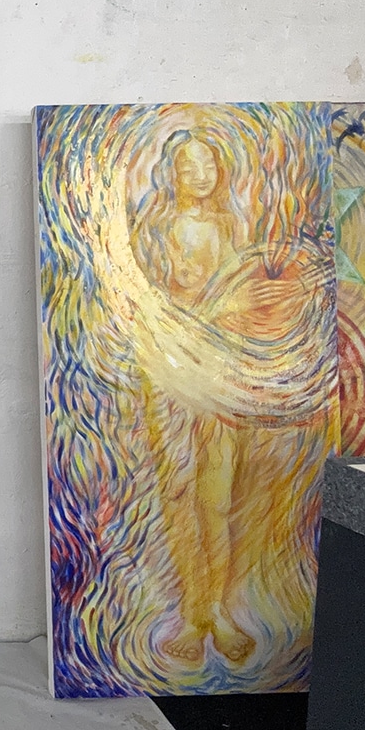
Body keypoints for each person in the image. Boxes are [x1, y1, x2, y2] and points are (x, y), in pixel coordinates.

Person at [129, 128, 314, 666]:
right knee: (179, 492)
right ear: (172, 172)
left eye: (208, 165)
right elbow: (151, 310)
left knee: (219, 498)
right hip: (170, 373)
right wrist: (219, 305)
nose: (200, 176)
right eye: (189, 166)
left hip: (222, 372)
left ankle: (218, 612)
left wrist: (270, 298)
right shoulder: (155, 228)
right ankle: (193, 615)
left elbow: (239, 298)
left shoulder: (233, 225)